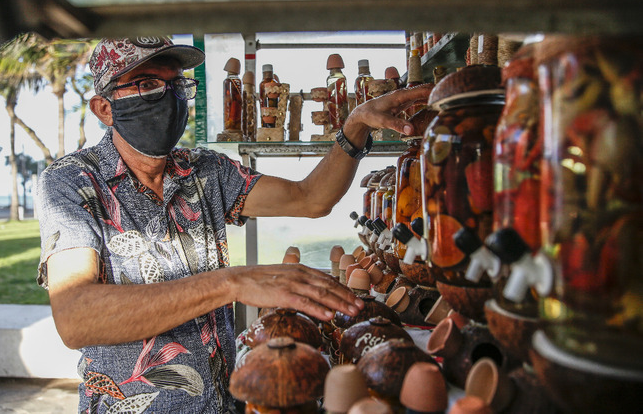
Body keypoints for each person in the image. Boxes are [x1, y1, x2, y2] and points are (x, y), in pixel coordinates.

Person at [36, 36, 421, 413]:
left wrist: (354, 126)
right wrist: (231, 282)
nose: (168, 98)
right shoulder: (72, 182)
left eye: (176, 84)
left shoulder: (205, 170)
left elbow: (311, 198)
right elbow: (76, 316)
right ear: (104, 108)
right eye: (148, 84)